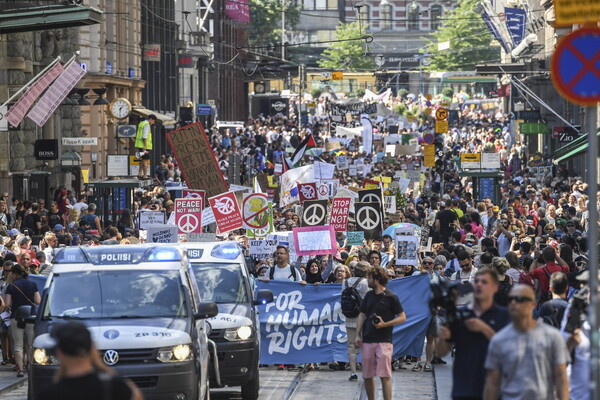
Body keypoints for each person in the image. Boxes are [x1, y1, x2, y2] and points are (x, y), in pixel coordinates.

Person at [483, 285, 570, 400]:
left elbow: (561, 377)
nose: (514, 303)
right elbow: (492, 382)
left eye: (519, 299)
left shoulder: (552, 337)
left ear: (532, 304)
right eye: (511, 299)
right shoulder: (499, 340)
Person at [436, 268, 510, 400]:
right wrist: (444, 338)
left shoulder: (504, 316)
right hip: (464, 387)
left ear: (495, 288)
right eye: (477, 281)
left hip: (494, 386)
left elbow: (509, 350)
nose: (480, 285)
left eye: (484, 282)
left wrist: (484, 329)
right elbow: (441, 352)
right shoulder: (461, 315)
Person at [40, 321, 143, 400]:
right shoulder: (113, 385)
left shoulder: (49, 393)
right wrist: (102, 366)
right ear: (92, 348)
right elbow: (136, 395)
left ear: (59, 353)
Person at [355, 267, 406, 400]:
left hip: (384, 340)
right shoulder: (369, 295)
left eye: (369, 277)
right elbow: (362, 314)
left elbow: (402, 317)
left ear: (376, 279)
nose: (367, 280)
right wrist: (357, 335)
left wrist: (385, 324)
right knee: (367, 375)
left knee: (385, 375)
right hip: (367, 339)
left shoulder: (391, 297)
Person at [4, 264, 41, 377]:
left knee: (18, 345)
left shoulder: (11, 286)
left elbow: (7, 304)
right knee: (31, 343)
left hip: (16, 316)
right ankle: (30, 366)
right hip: (31, 316)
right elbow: (38, 301)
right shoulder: (33, 284)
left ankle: (20, 369)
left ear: (14, 273)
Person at [342, 261, 370, 381]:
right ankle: (367, 371)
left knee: (351, 346)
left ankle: (353, 372)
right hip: (364, 318)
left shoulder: (345, 282)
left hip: (350, 318)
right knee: (366, 346)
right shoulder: (366, 283)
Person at [135, 114, 157, 180]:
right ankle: (145, 175)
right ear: (151, 119)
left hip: (140, 145)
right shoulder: (146, 125)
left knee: (142, 160)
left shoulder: (141, 123)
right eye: (153, 121)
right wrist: (145, 147)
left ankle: (139, 174)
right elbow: (144, 136)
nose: (153, 123)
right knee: (145, 161)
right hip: (144, 146)